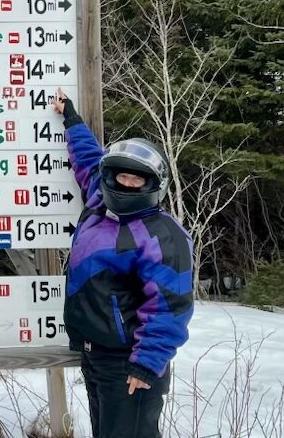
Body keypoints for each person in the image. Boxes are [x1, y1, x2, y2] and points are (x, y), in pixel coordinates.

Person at [54, 88, 193, 438]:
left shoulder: (162, 234)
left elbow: (170, 307)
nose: (127, 184)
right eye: (122, 176)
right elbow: (89, 160)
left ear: (153, 184)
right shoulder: (99, 203)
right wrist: (71, 118)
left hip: (130, 362)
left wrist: (146, 364)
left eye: (137, 179)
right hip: (95, 356)